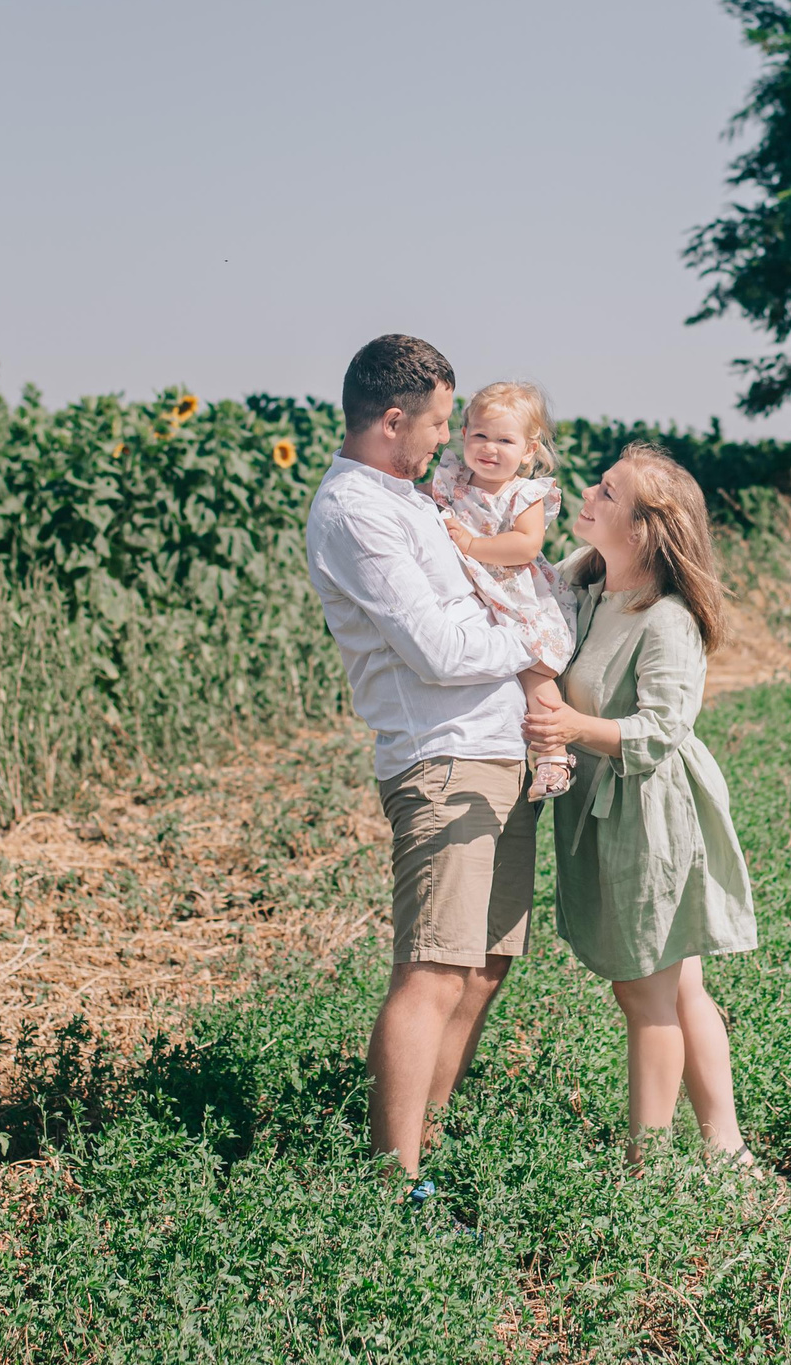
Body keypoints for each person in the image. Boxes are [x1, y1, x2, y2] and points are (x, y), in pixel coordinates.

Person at [304, 334, 540, 1193]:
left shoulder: (407, 498)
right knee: (434, 966)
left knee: (482, 965)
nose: (447, 438)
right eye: (440, 422)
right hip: (441, 761)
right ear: (393, 418)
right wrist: (534, 640)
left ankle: (425, 1146)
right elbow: (437, 648)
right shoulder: (354, 513)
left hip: (496, 751)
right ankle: (393, 1188)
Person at [524, 443, 760, 1167]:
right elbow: (516, 581)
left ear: (644, 530)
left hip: (650, 816)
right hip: (609, 811)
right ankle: (728, 1150)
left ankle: (646, 1170)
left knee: (645, 995)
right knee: (680, 981)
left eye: (609, 491)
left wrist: (569, 727)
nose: (589, 494)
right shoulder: (589, 584)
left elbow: (660, 732)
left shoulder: (667, 620)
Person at [428, 381, 579, 797]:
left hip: (518, 600)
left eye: (504, 440)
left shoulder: (522, 494)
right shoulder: (453, 480)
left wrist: (474, 546)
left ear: (529, 451)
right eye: (480, 435)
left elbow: (527, 545)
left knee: (534, 675)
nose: (489, 448)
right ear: (463, 435)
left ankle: (553, 756)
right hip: (477, 597)